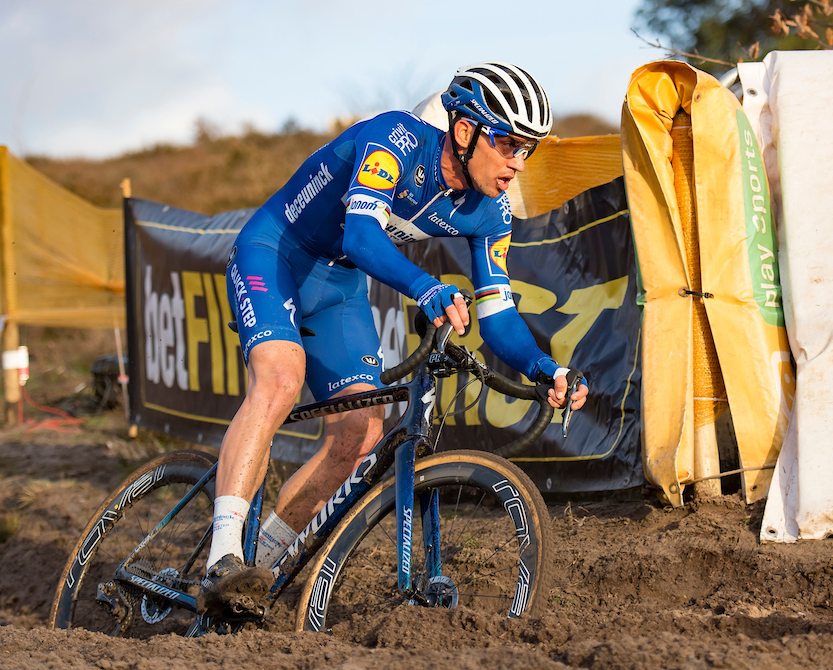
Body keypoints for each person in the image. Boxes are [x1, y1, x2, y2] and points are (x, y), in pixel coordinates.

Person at [199, 62, 590, 616]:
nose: (517, 163)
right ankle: (222, 555)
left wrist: (542, 368)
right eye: (507, 144)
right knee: (281, 379)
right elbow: (361, 234)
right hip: (277, 252)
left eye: (528, 149)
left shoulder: (492, 212)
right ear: (464, 131)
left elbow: (498, 313)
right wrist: (427, 287)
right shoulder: (396, 140)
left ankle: (257, 568)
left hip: (337, 284)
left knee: (360, 433)